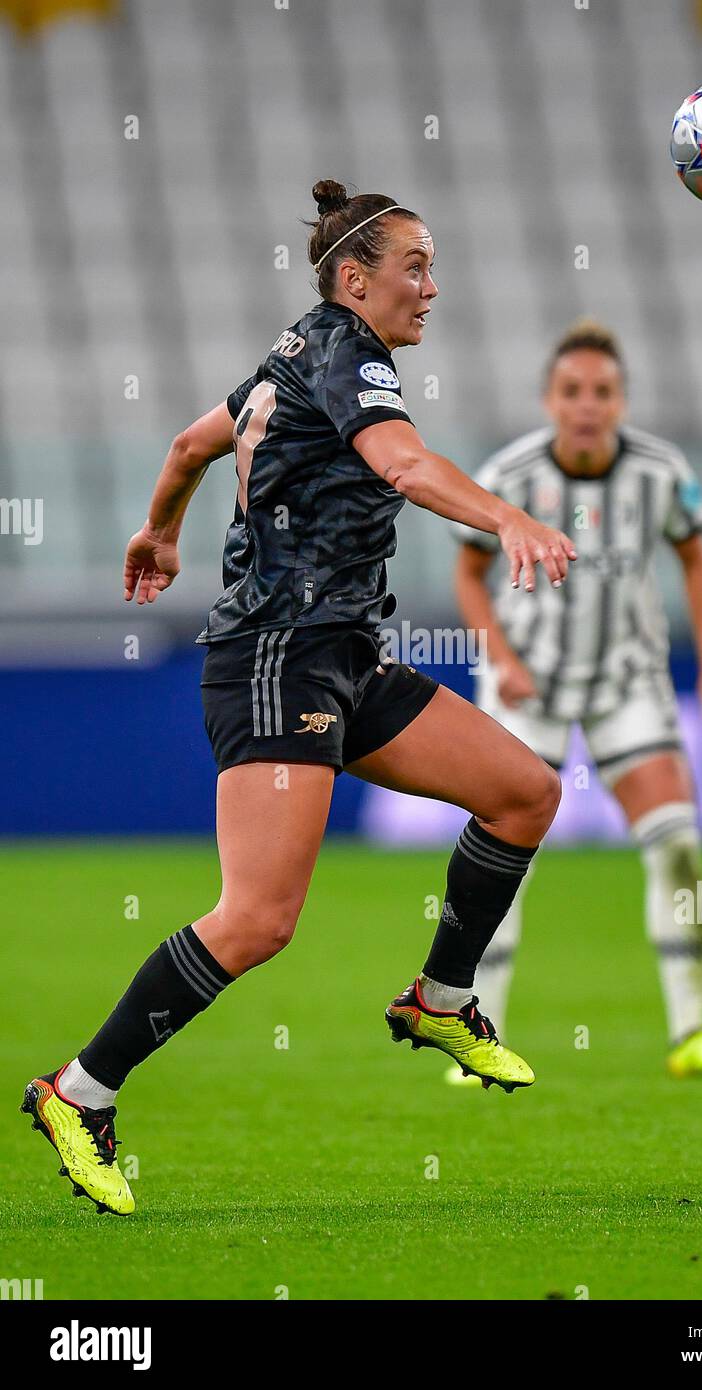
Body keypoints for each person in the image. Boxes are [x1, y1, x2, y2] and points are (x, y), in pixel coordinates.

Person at [21, 180, 577, 1215]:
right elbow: (402, 464)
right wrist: (506, 519)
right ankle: (76, 1090)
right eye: (414, 267)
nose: (431, 287)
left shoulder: (293, 356)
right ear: (354, 278)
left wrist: (159, 529)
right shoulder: (346, 356)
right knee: (259, 919)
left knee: (523, 794)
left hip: (343, 657)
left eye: (431, 266)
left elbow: (192, 445)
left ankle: (440, 998)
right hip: (277, 659)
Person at [449, 318, 702, 1086]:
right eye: (572, 391)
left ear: (621, 400)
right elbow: (467, 571)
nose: (587, 405)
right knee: (501, 866)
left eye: (603, 392)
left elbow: (697, 562)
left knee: (678, 847)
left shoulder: (661, 471)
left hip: (628, 683)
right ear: (549, 399)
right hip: (531, 684)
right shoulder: (512, 474)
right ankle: (474, 1035)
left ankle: (692, 1034)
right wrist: (501, 656)